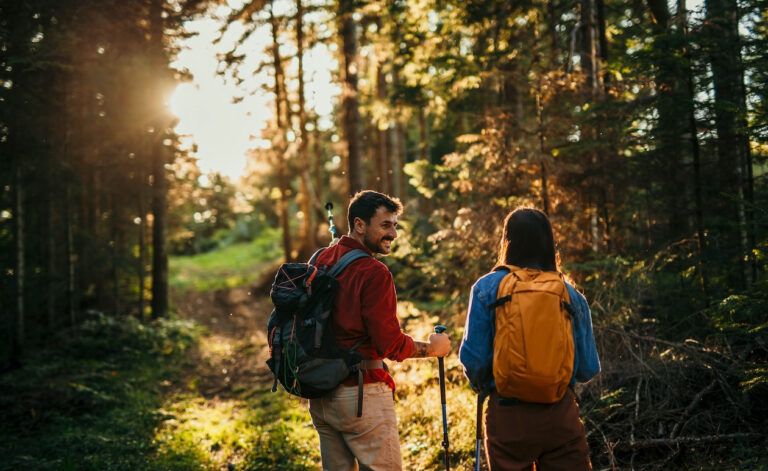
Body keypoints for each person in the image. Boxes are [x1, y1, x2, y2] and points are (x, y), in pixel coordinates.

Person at [309, 190, 451, 471]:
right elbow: (390, 344)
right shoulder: (374, 272)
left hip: (321, 395)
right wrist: (433, 348)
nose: (394, 234)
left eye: (395, 225)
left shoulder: (320, 260)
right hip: (362, 396)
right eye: (386, 225)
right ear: (360, 225)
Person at [459, 208, 600, 471]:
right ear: (548, 242)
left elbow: (475, 362)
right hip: (560, 414)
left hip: (508, 414)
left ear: (507, 241)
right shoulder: (570, 295)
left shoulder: (487, 288)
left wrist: (486, 384)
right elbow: (588, 368)